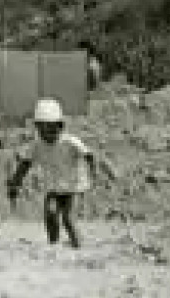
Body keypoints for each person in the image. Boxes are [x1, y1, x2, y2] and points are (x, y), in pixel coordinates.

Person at [6, 98, 100, 249]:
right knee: (50, 213)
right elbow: (25, 164)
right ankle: (53, 245)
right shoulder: (37, 145)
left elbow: (89, 155)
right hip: (54, 187)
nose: (46, 133)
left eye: (50, 129)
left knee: (68, 218)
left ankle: (78, 246)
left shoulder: (70, 142)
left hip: (74, 187)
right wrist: (16, 182)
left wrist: (94, 173)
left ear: (60, 126)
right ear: (37, 128)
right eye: (42, 129)